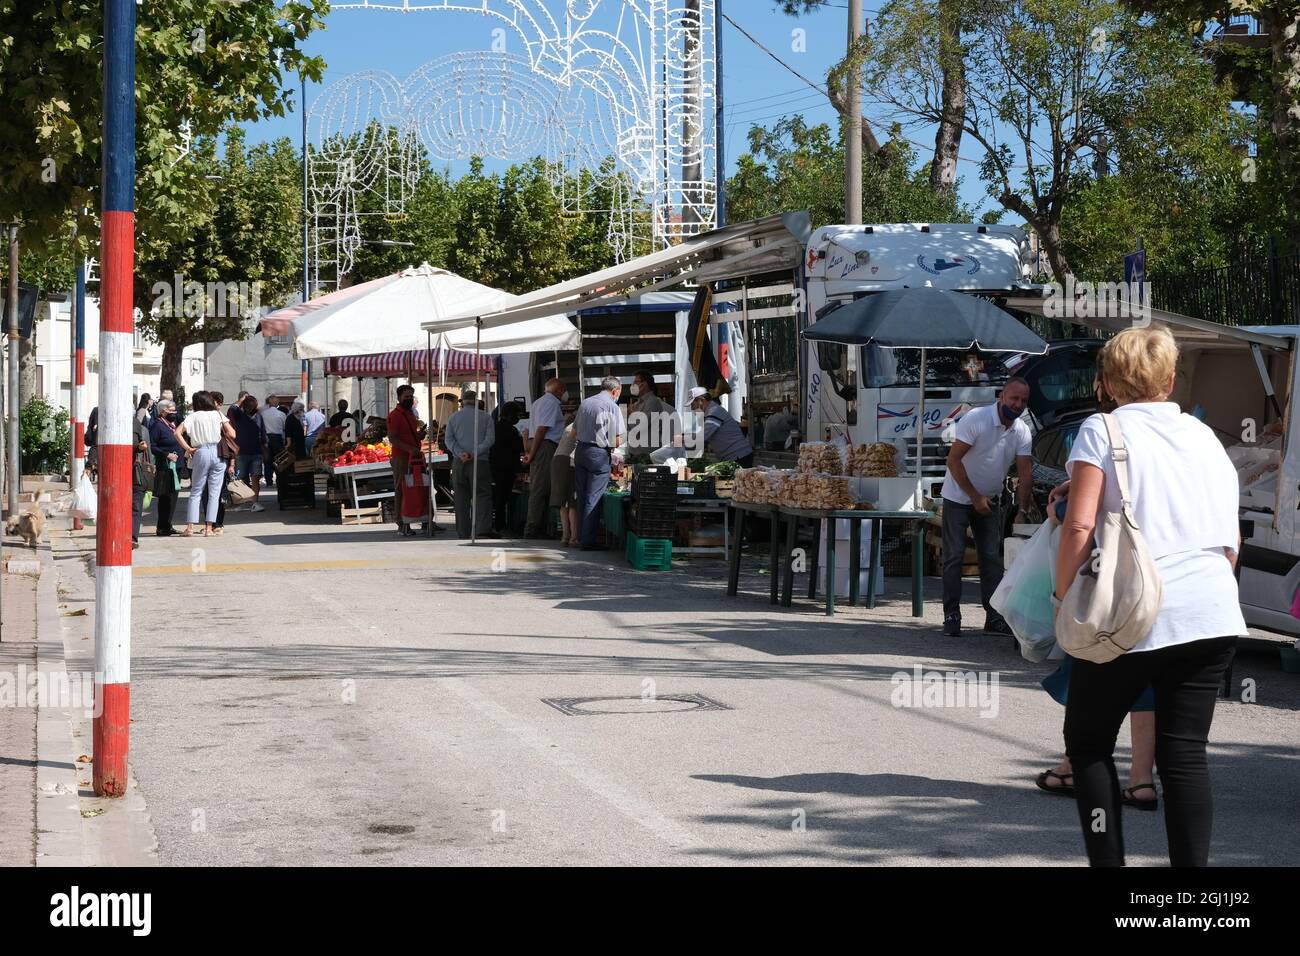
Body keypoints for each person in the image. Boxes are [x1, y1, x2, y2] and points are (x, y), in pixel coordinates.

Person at [1053, 325, 1244, 867]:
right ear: (1168, 377)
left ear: (1108, 381)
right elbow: (1231, 539)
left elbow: (1078, 527)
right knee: (1184, 755)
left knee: (1088, 743)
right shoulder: (1205, 436)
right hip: (1211, 609)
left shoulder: (1102, 429)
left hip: (1130, 609)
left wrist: (1062, 594)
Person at [938, 377, 1034, 637]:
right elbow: (953, 460)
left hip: (990, 499)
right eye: (1014, 398)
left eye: (1024, 401)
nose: (1018, 404)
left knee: (991, 558)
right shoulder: (977, 419)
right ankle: (951, 615)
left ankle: (993, 617)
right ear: (1002, 396)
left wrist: (1022, 510)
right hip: (958, 496)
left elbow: (1026, 474)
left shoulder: (1022, 430)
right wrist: (974, 496)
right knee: (954, 557)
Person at [574, 376, 626, 550]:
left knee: (581, 496)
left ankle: (580, 537)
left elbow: (574, 431)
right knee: (593, 497)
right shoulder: (612, 406)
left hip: (580, 451)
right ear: (615, 391)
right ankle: (588, 541)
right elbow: (616, 439)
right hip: (598, 454)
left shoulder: (586, 403)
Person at [175, 390, 235, 537]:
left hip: (200, 451)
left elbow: (177, 433)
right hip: (218, 452)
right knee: (215, 493)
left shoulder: (193, 416)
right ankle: (209, 529)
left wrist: (188, 448)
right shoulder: (218, 414)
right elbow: (233, 434)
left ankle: (190, 528)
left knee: (196, 491)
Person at [445, 389, 496, 539]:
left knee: (461, 497)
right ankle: (482, 529)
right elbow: (490, 440)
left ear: (462, 402)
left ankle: (463, 531)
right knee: (482, 494)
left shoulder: (453, 418)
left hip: (459, 461)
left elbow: (449, 440)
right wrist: (475, 452)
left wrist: (462, 453)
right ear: (476, 401)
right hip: (480, 461)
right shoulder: (486, 417)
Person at [523, 378, 567, 538]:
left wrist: (529, 451)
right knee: (540, 489)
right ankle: (532, 529)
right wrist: (533, 454)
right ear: (559, 390)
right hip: (545, 446)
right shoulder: (552, 403)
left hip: (540, 445)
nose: (565, 393)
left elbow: (528, 431)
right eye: (564, 389)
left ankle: (538, 527)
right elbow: (542, 430)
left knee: (542, 488)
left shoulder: (538, 403)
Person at [387, 385, 427, 527]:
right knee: (401, 488)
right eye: (406, 397)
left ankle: (422, 519)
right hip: (401, 457)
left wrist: (419, 436)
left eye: (411, 396)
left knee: (419, 487)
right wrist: (409, 448)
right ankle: (401, 521)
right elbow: (393, 438)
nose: (409, 399)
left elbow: (407, 434)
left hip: (414, 457)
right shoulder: (395, 415)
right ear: (399, 398)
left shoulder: (410, 413)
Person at [687, 386, 754, 467]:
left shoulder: (714, 411)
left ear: (701, 400)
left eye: (692, 404)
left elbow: (703, 436)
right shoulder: (710, 412)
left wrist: (681, 440)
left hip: (739, 457)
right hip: (734, 457)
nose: (691, 408)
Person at [148, 399, 183, 536]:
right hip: (165, 466)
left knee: (173, 497)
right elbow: (153, 445)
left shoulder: (173, 425)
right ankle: (162, 526)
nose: (174, 413)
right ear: (162, 412)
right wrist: (166, 454)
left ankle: (168, 524)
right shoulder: (157, 426)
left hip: (177, 465)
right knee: (165, 497)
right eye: (170, 411)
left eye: (175, 410)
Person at [490, 402, 525, 533]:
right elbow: (519, 448)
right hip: (507, 468)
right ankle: (503, 525)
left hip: (495, 466)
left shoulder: (495, 427)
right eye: (517, 415)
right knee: (504, 497)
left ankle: (498, 524)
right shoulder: (512, 430)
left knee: (499, 497)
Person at [231, 395, 266, 512]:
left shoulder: (257, 416)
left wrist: (264, 445)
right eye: (248, 404)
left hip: (252, 452)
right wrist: (241, 400)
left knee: (254, 478)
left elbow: (263, 433)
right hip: (245, 452)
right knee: (243, 478)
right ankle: (246, 502)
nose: (250, 407)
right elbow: (232, 407)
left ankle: (254, 502)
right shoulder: (240, 415)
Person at [627, 370, 673, 453]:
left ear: (644, 384)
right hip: (637, 451)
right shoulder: (639, 403)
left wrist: (631, 414)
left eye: (636, 382)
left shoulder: (652, 402)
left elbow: (639, 426)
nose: (633, 385)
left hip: (647, 453)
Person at [550, 416, 579, 547]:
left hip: (556, 460)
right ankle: (573, 537)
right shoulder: (580, 425)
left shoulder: (568, 427)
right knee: (572, 502)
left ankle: (565, 536)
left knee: (564, 503)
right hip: (568, 461)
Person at [131, 412, 153, 549]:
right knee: (135, 506)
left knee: (136, 505)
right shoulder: (138, 425)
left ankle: (133, 537)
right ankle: (132, 537)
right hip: (134, 471)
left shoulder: (138, 426)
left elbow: (147, 452)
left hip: (136, 471)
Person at [258, 395, 287, 487]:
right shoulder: (281, 414)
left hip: (266, 438)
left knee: (267, 461)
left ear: (269, 403)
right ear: (277, 403)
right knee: (279, 460)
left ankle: (269, 481)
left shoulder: (263, 414)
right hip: (278, 438)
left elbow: (260, 427)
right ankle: (280, 479)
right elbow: (284, 427)